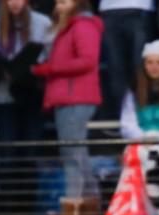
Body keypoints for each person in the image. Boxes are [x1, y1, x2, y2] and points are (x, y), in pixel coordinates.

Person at [32, 0, 103, 199]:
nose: (59, 6)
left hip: (76, 98)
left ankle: (74, 204)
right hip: (66, 97)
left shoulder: (83, 25)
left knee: (72, 154)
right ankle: (89, 205)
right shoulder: (68, 26)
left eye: (64, 2)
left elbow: (88, 60)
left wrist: (50, 67)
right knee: (75, 152)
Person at [0, 0, 52, 144]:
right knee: (7, 144)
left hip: (32, 93)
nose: (15, 3)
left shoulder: (42, 22)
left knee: (31, 145)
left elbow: (51, 56)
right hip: (5, 96)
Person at [98, 0, 155, 119]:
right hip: (109, 11)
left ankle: (143, 116)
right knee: (115, 69)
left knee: (141, 67)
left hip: (139, 10)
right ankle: (124, 118)